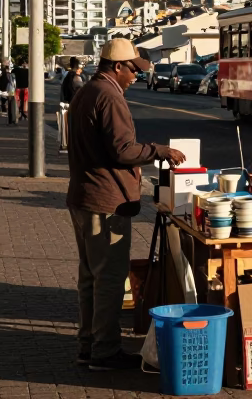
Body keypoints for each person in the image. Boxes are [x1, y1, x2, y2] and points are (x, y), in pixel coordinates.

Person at [66, 38, 186, 370]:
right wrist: (159, 151)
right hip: (106, 201)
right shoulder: (109, 96)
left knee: (91, 276)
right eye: (133, 70)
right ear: (118, 66)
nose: (136, 77)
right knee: (109, 276)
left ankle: (88, 345)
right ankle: (104, 351)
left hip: (84, 196)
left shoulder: (87, 91)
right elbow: (122, 150)